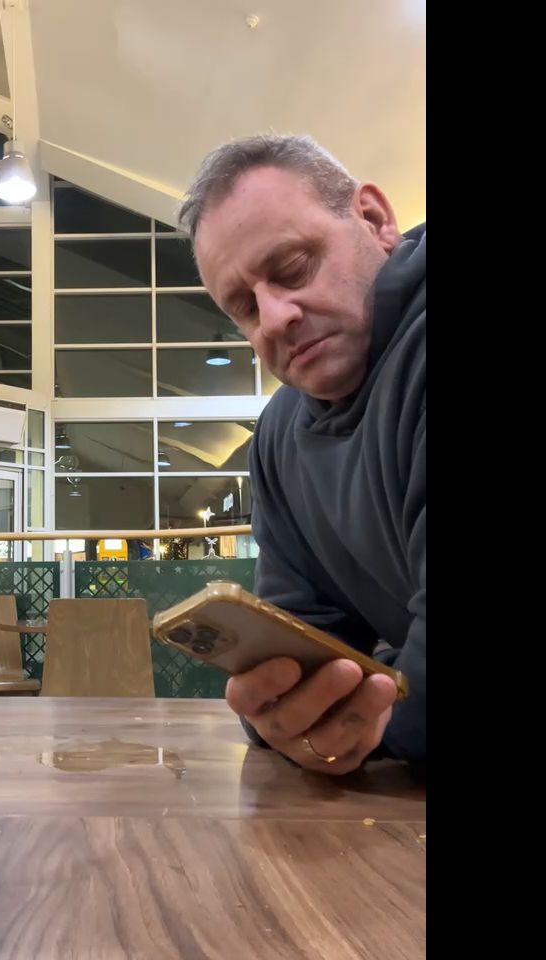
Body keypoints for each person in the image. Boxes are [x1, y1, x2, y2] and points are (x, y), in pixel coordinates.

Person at [179, 134, 425, 774]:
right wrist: (277, 711)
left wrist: (361, 718)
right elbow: (298, 643)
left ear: (374, 219)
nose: (273, 318)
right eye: (242, 307)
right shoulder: (276, 436)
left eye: (292, 268)